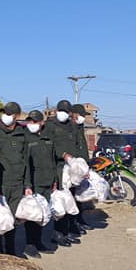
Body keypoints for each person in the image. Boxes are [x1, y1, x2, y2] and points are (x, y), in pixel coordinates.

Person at [0, 101, 27, 256]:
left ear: (16, 116)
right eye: (4, 113)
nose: (5, 116)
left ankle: (10, 253)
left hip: (17, 184)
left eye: (9, 114)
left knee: (13, 222)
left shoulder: (21, 133)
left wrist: (27, 184)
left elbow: (25, 159)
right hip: (0, 184)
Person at [43, 99, 81, 246]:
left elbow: (75, 145)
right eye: (61, 111)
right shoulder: (50, 126)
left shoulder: (71, 126)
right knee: (59, 202)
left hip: (70, 169)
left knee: (69, 201)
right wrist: (62, 154)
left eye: (66, 111)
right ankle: (57, 234)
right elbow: (49, 147)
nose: (63, 114)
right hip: (57, 167)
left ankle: (66, 232)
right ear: (57, 111)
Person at [23, 109, 55, 255]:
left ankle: (39, 242)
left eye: (34, 121)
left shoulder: (48, 138)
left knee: (43, 214)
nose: (32, 124)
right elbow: (25, 165)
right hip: (34, 183)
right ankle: (30, 244)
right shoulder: (26, 138)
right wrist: (27, 185)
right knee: (32, 215)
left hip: (47, 182)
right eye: (30, 121)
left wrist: (55, 180)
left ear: (41, 123)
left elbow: (52, 160)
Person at [70, 103, 92, 232]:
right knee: (71, 197)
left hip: (81, 168)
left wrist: (87, 165)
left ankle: (79, 220)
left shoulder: (79, 127)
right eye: (82, 115)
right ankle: (73, 224)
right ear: (74, 114)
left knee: (79, 196)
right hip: (73, 169)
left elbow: (82, 147)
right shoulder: (70, 128)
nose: (83, 117)